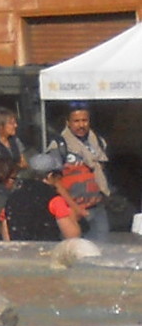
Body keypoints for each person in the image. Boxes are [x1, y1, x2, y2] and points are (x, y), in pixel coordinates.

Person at [49, 103, 112, 240]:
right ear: (68, 123)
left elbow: (101, 171)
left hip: (97, 208)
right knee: (75, 253)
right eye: (76, 121)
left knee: (102, 253)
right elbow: (54, 181)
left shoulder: (98, 142)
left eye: (84, 120)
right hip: (72, 211)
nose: (81, 125)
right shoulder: (60, 145)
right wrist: (75, 208)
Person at [1, 153, 83, 242]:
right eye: (57, 176)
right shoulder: (54, 199)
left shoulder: (13, 196)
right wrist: (72, 216)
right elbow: (72, 235)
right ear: (50, 175)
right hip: (47, 251)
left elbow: (6, 231)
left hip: (21, 253)